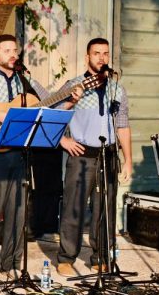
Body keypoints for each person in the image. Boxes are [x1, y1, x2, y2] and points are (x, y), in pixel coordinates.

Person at [0, 34, 71, 278]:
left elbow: (50, 104)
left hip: (19, 154)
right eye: (7, 50)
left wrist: (71, 99)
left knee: (16, 211)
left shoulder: (26, 80)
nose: (12, 54)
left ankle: (10, 264)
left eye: (15, 51)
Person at [56, 37, 132, 277]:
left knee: (105, 210)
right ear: (87, 57)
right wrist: (63, 139)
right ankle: (66, 258)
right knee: (73, 208)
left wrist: (128, 159)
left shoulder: (116, 88)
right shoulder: (74, 84)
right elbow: (52, 114)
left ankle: (100, 257)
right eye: (96, 53)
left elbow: (122, 125)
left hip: (108, 156)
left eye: (105, 53)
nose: (101, 58)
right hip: (82, 155)